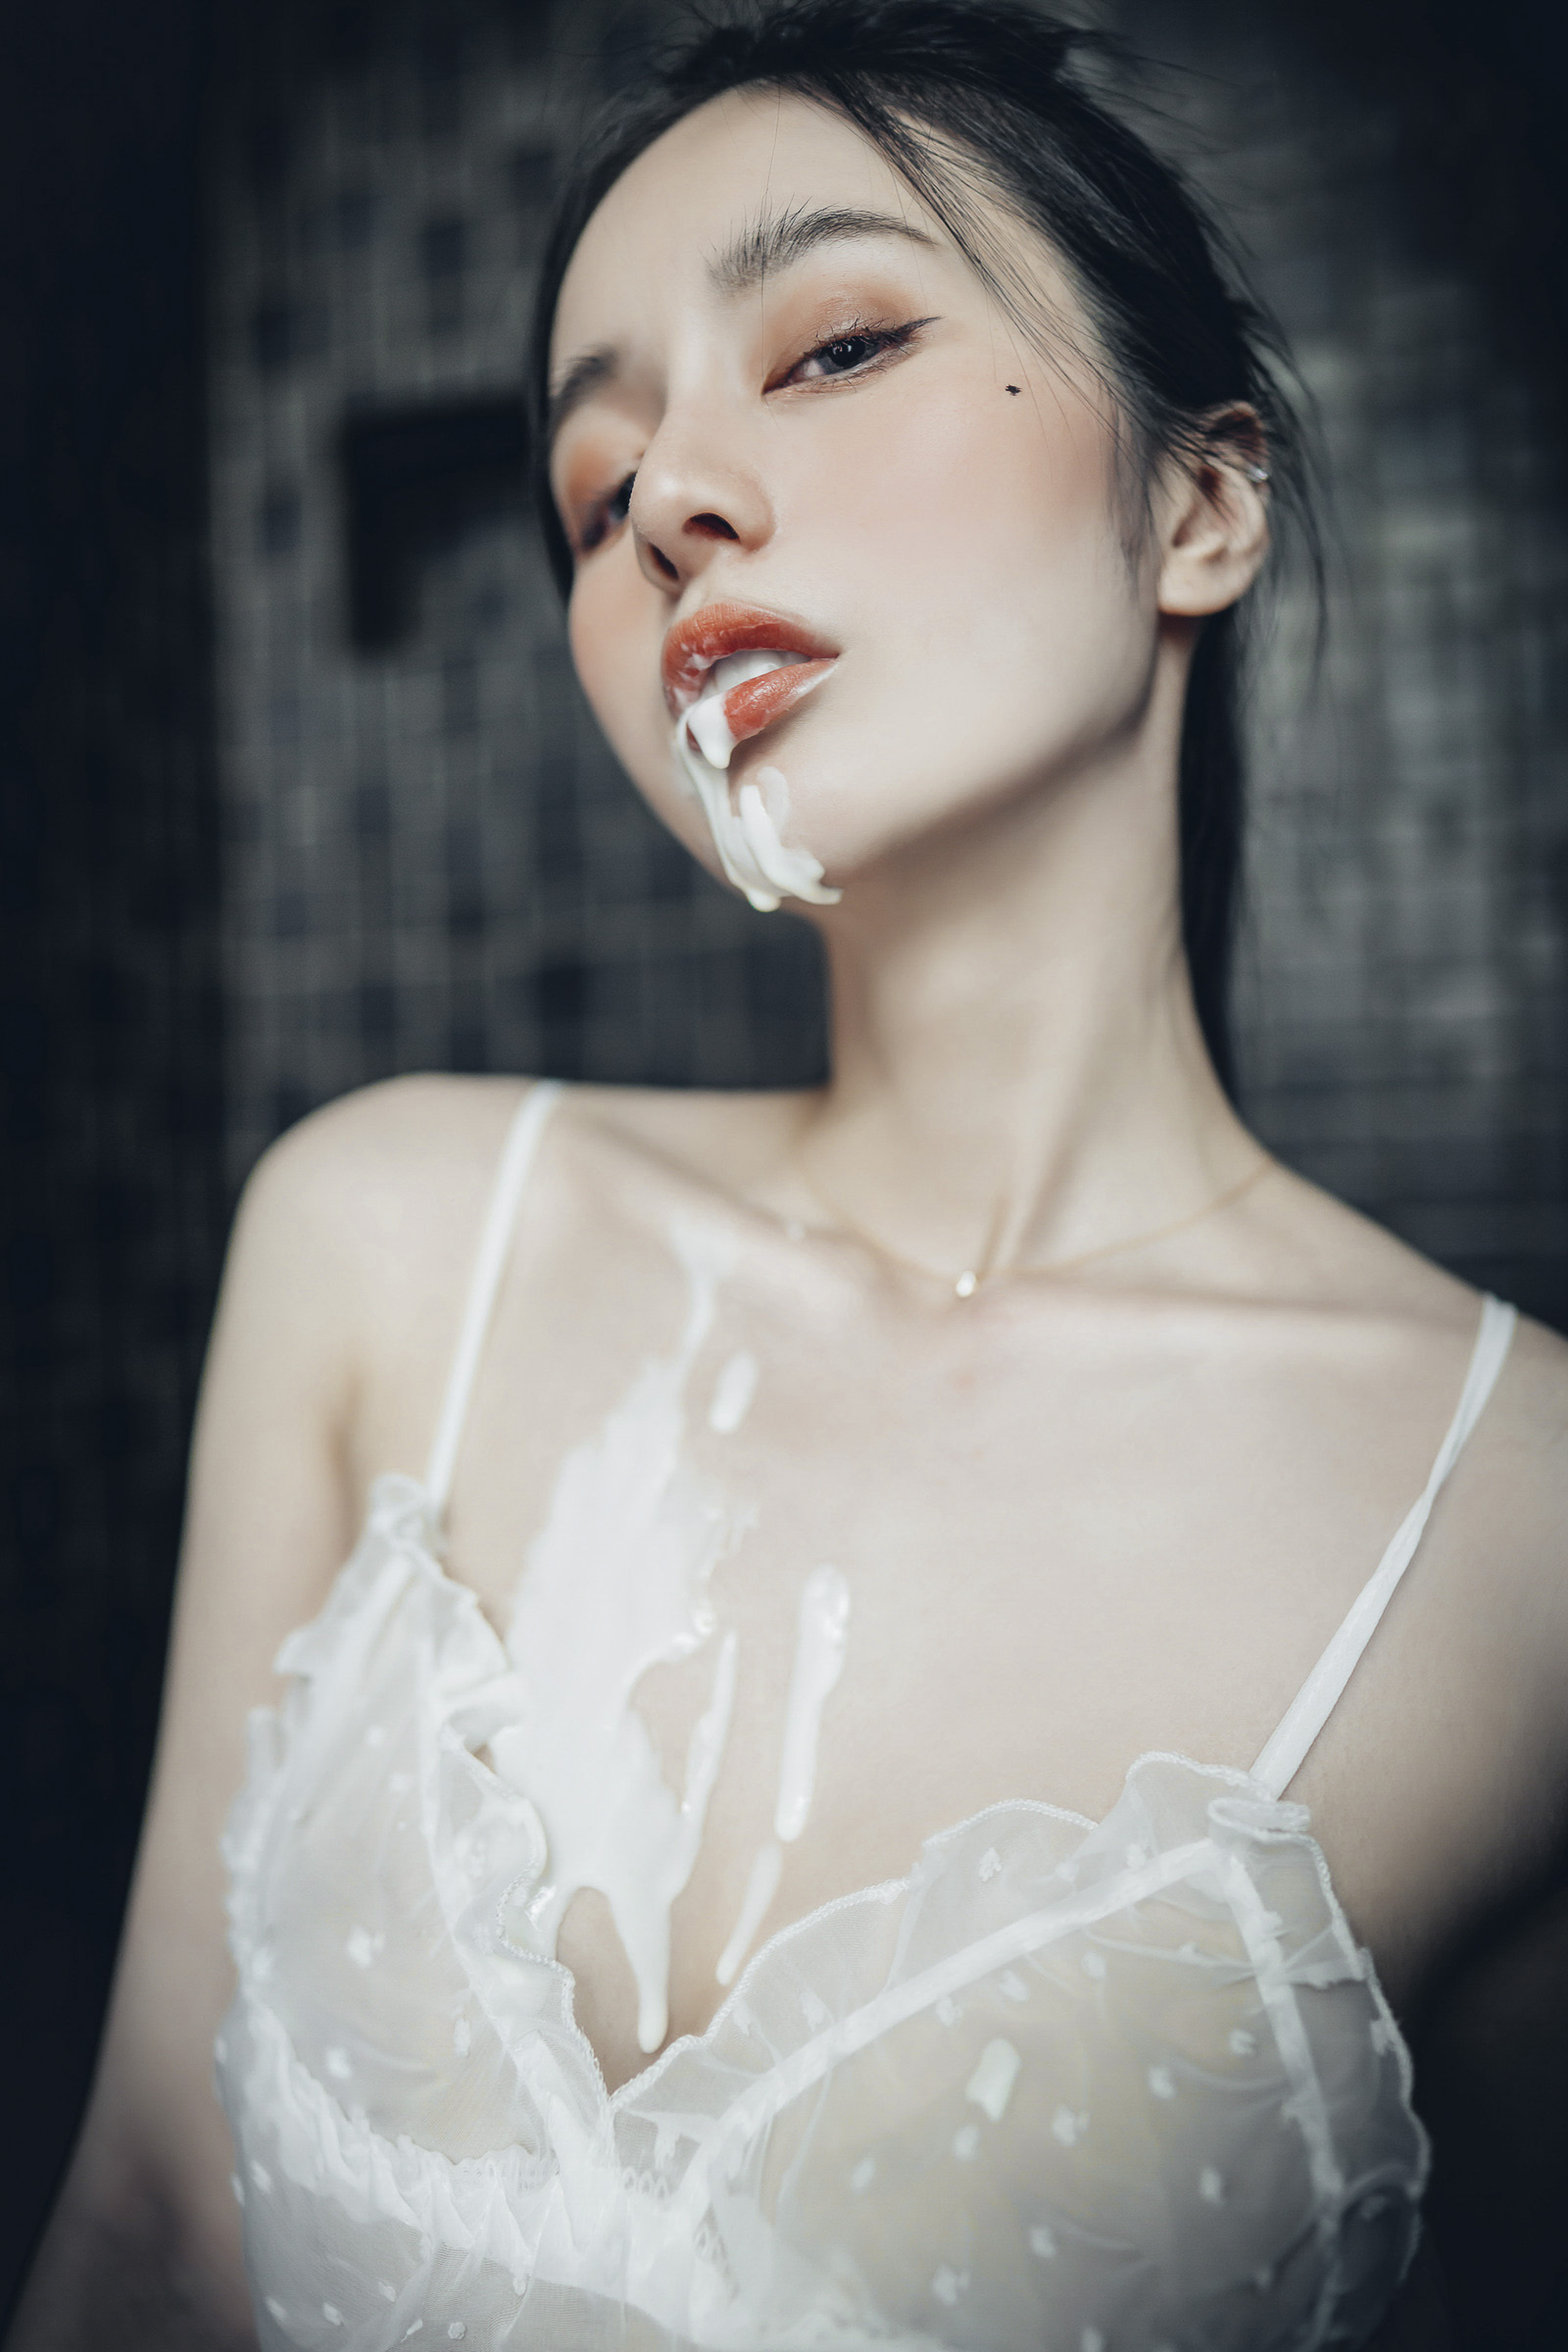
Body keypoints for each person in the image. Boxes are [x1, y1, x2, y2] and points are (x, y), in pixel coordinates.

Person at [11, 3, 1566, 2346]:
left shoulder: (1523, 1534)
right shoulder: (388, 1239)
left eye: (835, 348)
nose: (666, 500)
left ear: (1199, 506)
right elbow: (145, 2231)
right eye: (594, 484)